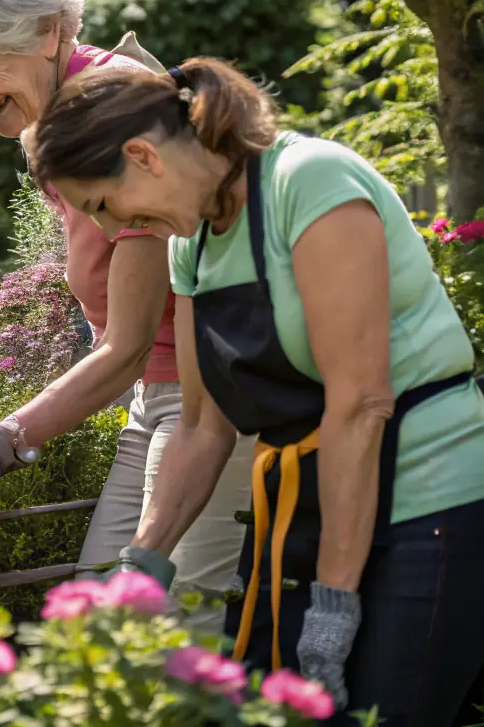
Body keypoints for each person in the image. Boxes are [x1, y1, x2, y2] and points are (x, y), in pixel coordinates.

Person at [26, 56, 484, 723]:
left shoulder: (310, 181)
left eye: (101, 203)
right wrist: (139, 562)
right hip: (309, 515)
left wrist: (331, 607)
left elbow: (359, 404)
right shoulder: (193, 243)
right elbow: (200, 426)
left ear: (141, 155)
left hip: (429, 505)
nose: (106, 228)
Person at [0, 0, 252, 633]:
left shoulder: (114, 112)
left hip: (214, 404)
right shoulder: (52, 121)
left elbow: (129, 338)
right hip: (159, 394)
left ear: (48, 33)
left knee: (164, 639)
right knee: (88, 633)